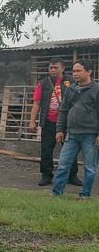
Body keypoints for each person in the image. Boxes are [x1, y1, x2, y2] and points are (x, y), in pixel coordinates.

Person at [29, 58, 81, 186]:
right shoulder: (43, 83)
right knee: (46, 150)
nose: (52, 70)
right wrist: (32, 121)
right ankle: (46, 175)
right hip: (48, 122)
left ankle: (72, 175)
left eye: (55, 67)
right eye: (50, 67)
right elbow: (36, 104)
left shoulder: (72, 81)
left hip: (67, 123)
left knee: (70, 149)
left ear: (62, 68)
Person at [51, 59, 99, 200]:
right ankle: (56, 193)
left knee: (90, 168)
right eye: (73, 71)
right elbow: (63, 110)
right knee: (63, 164)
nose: (75, 74)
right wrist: (59, 130)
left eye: (78, 71)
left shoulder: (96, 90)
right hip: (71, 135)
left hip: (90, 135)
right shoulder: (71, 89)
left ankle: (85, 195)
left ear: (88, 72)